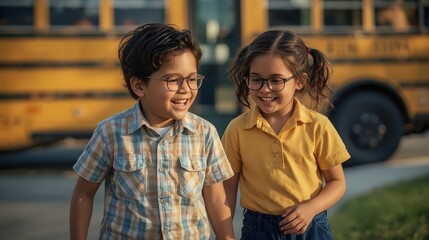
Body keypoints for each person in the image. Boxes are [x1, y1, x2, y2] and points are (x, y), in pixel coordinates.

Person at [70, 23, 235, 240]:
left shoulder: (204, 133)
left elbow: (215, 199)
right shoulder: (111, 133)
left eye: (192, 79)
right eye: (172, 80)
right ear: (139, 86)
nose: (186, 89)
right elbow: (84, 193)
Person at [222, 30, 350, 239]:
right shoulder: (236, 129)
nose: (265, 89)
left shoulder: (318, 125)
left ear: (299, 81)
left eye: (276, 80)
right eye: (256, 80)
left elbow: (337, 183)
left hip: (311, 228)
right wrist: (225, 235)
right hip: (258, 230)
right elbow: (226, 192)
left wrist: (311, 208)